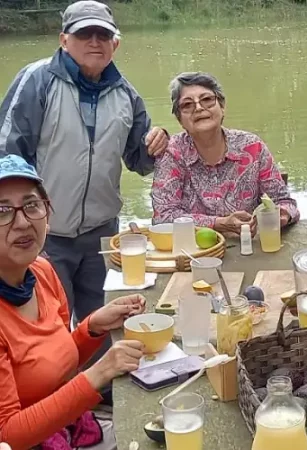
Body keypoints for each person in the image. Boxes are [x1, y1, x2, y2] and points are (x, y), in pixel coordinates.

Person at [0, 0, 168, 405]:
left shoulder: (126, 93)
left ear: (115, 44)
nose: (94, 41)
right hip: (41, 237)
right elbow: (8, 155)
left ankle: (103, 404)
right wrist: (15, 219)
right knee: (47, 336)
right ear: (64, 39)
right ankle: (41, 416)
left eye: (103, 35)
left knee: (100, 325)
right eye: (84, 34)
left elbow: (139, 160)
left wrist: (156, 144)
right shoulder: (37, 80)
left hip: (102, 234)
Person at [0, 154, 146, 450]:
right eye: (2, 211)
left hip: (72, 426)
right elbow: (8, 435)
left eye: (31, 205)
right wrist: (101, 371)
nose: (22, 222)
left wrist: (91, 328)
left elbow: (54, 365)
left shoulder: (41, 271)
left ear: (47, 213)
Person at [151, 71, 299, 235]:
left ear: (222, 107)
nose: (199, 108)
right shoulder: (172, 153)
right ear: (180, 119)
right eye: (187, 105)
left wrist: (282, 214)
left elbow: (286, 202)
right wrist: (219, 223)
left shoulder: (252, 147)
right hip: (191, 254)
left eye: (207, 100)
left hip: (247, 250)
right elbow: (162, 219)